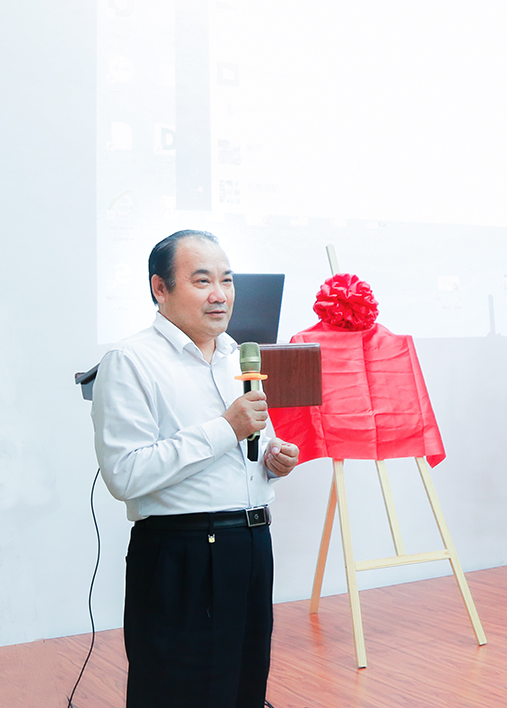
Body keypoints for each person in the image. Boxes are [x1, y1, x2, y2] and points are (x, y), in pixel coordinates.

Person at [91, 229, 299, 708]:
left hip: (251, 545)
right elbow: (125, 474)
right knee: (178, 691)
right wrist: (225, 427)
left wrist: (272, 459)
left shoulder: (236, 356)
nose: (220, 294)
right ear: (160, 288)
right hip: (182, 553)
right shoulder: (130, 361)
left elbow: (247, 446)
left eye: (227, 280)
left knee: (245, 685)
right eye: (202, 280)